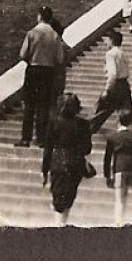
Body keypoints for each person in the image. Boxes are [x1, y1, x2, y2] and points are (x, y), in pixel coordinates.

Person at [19, 6, 68, 147]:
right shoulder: (54, 35)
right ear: (51, 18)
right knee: (43, 105)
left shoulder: (32, 32)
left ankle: (25, 137)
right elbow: (59, 58)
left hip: (33, 70)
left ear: (40, 16)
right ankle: (41, 138)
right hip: (48, 72)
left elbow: (23, 54)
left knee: (29, 105)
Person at [41, 94, 92, 225]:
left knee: (58, 199)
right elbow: (87, 149)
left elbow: (48, 148)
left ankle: (59, 227)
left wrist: (44, 171)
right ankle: (62, 225)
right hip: (75, 162)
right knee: (68, 198)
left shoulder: (53, 122)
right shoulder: (83, 124)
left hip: (58, 160)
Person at [103, 109, 132, 226]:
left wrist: (107, 175)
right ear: (131, 122)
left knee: (119, 197)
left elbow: (107, 158)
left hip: (119, 168)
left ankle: (118, 221)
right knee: (125, 194)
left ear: (118, 121)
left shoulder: (113, 137)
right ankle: (123, 217)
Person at [91, 29, 132, 131]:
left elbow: (113, 73)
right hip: (125, 85)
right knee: (127, 115)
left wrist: (107, 89)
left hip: (115, 86)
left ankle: (87, 131)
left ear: (111, 40)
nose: (106, 42)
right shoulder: (123, 53)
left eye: (107, 40)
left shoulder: (110, 54)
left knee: (101, 113)